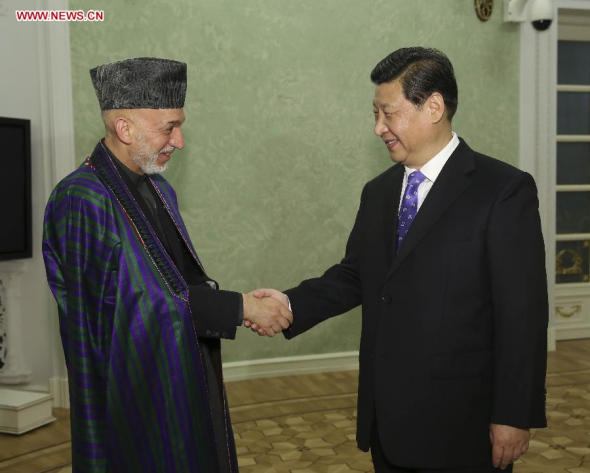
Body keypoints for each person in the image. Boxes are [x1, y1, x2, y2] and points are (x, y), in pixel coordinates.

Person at [251, 47, 548, 472]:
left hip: (462, 422)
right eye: (375, 114)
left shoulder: (502, 190)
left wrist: (514, 414)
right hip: (386, 419)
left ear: (434, 107)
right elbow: (357, 275)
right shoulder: (379, 192)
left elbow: (523, 313)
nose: (378, 128)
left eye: (387, 114)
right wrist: (290, 304)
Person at [43, 57, 292, 473]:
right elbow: (121, 314)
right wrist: (238, 308)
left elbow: (176, 286)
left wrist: (235, 303)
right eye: (169, 127)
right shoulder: (80, 199)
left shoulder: (159, 188)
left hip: (179, 373)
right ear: (125, 129)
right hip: (130, 396)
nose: (180, 141)